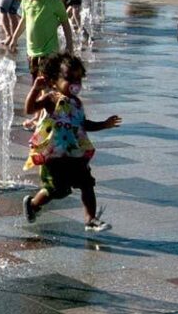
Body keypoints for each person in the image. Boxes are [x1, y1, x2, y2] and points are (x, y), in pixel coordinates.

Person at [21, 54, 119, 232]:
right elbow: (29, 109)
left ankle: (91, 219)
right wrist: (35, 89)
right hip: (55, 155)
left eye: (78, 79)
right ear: (54, 80)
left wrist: (104, 124)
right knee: (58, 190)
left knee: (87, 183)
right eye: (69, 78)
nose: (75, 83)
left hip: (75, 153)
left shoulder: (77, 103)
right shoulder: (51, 99)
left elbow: (82, 124)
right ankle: (33, 205)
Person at [16, 0, 73, 73]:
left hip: (49, 52)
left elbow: (65, 22)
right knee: (36, 82)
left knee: (48, 82)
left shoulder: (54, 2)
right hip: (31, 52)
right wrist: (14, 38)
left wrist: (69, 45)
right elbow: (24, 20)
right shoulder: (26, 0)